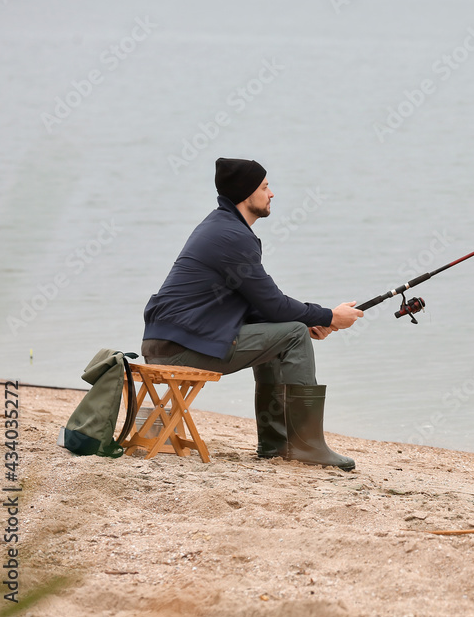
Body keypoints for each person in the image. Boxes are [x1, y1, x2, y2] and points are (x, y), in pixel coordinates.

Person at [140, 157, 363, 470]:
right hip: (181, 350)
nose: (271, 194)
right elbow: (272, 304)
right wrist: (327, 316)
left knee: (287, 331)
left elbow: (261, 306)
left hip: (168, 343)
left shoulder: (220, 227)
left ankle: (276, 444)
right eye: (265, 187)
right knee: (294, 334)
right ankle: (306, 445)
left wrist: (307, 318)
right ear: (246, 194)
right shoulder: (232, 237)